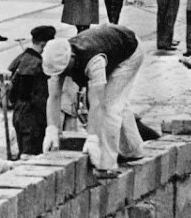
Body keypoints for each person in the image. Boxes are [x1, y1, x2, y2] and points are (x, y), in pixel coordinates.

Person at [41, 24, 145, 175]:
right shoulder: (56, 60)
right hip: (112, 44)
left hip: (130, 52)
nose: (62, 75)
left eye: (64, 71)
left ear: (71, 58)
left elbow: (98, 103)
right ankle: (133, 149)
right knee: (116, 100)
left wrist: (92, 139)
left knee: (110, 106)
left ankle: (106, 165)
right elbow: (54, 96)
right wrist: (51, 130)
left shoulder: (93, 60)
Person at [8, 26, 56, 159]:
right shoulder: (37, 65)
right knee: (30, 156)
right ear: (44, 44)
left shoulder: (22, 58)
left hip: (19, 113)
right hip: (33, 118)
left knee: (24, 150)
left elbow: (11, 93)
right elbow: (40, 98)